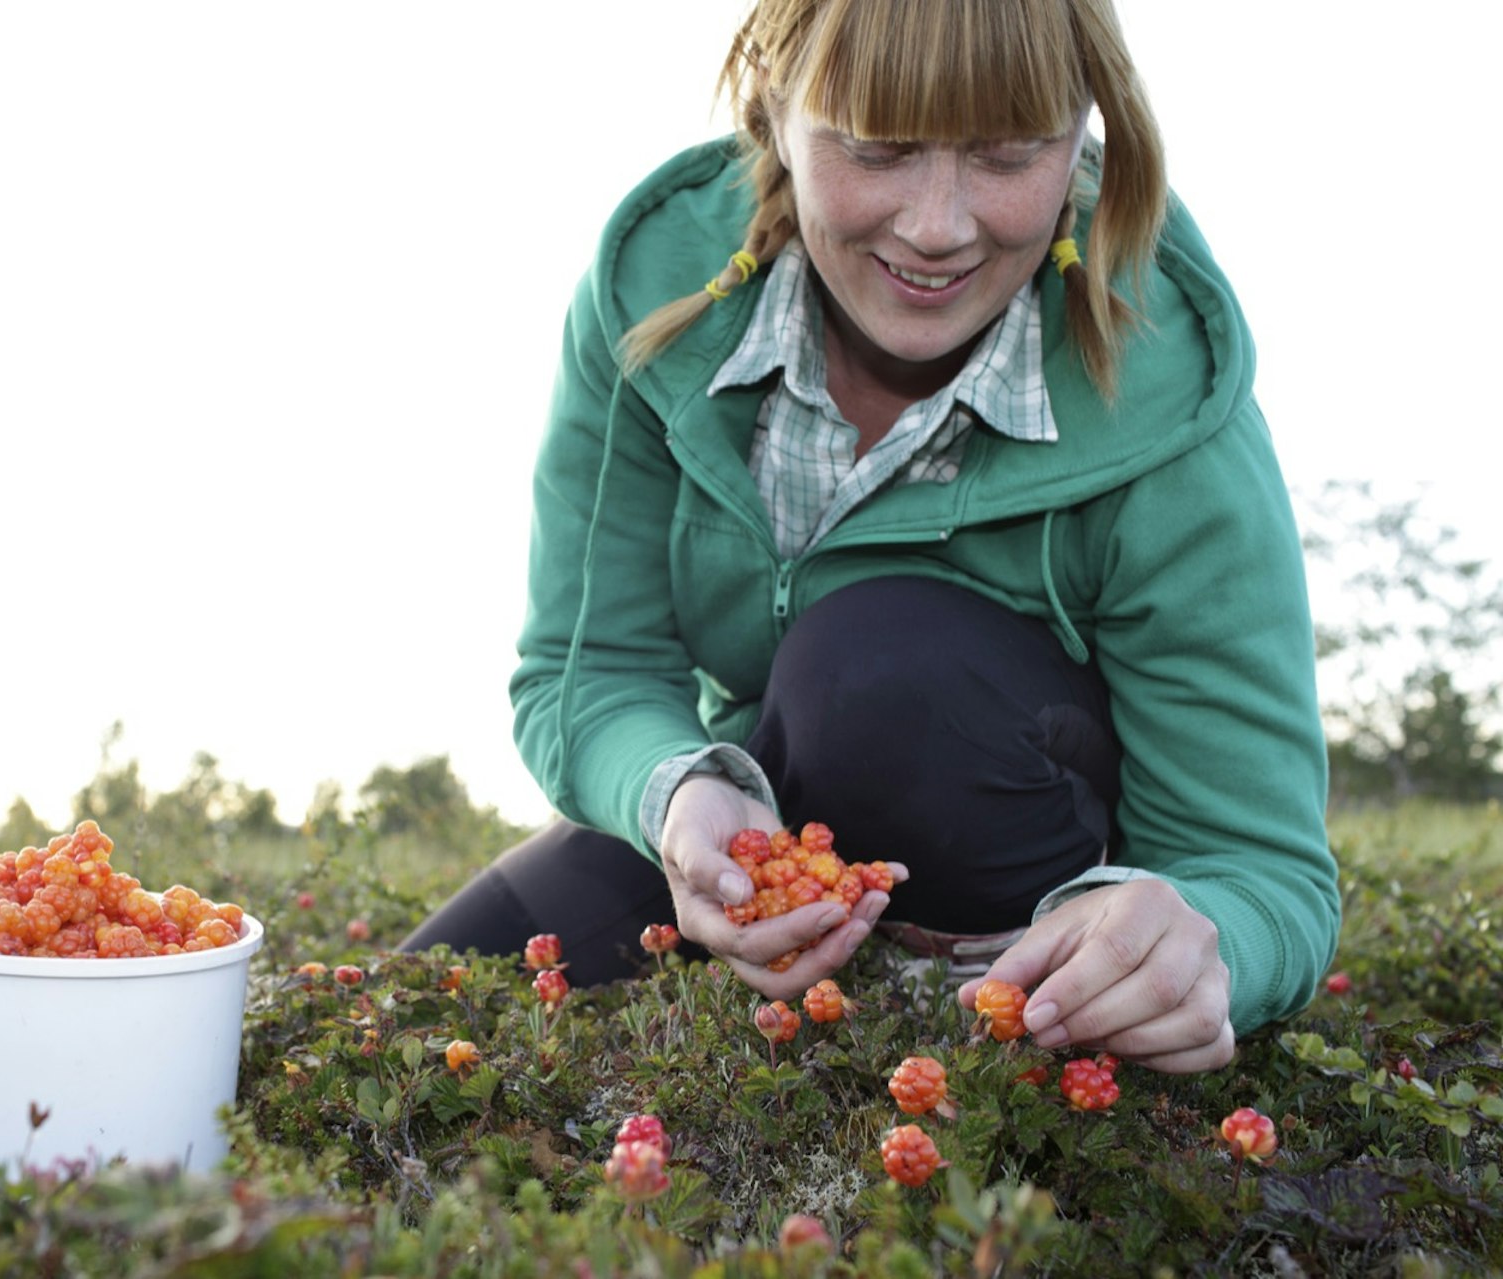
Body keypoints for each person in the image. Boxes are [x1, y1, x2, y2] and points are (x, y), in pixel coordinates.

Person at [402, 0, 1339, 1074]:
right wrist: (676, 791)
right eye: (877, 146)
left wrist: (1204, 946)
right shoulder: (651, 298)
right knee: (420, 1014)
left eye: (1009, 152)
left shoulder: (1173, 390)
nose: (938, 226)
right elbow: (589, 671)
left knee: (874, 666)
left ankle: (953, 1013)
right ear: (774, 107)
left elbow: (1264, 867)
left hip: (1035, 872)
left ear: (1084, 126)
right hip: (779, 802)